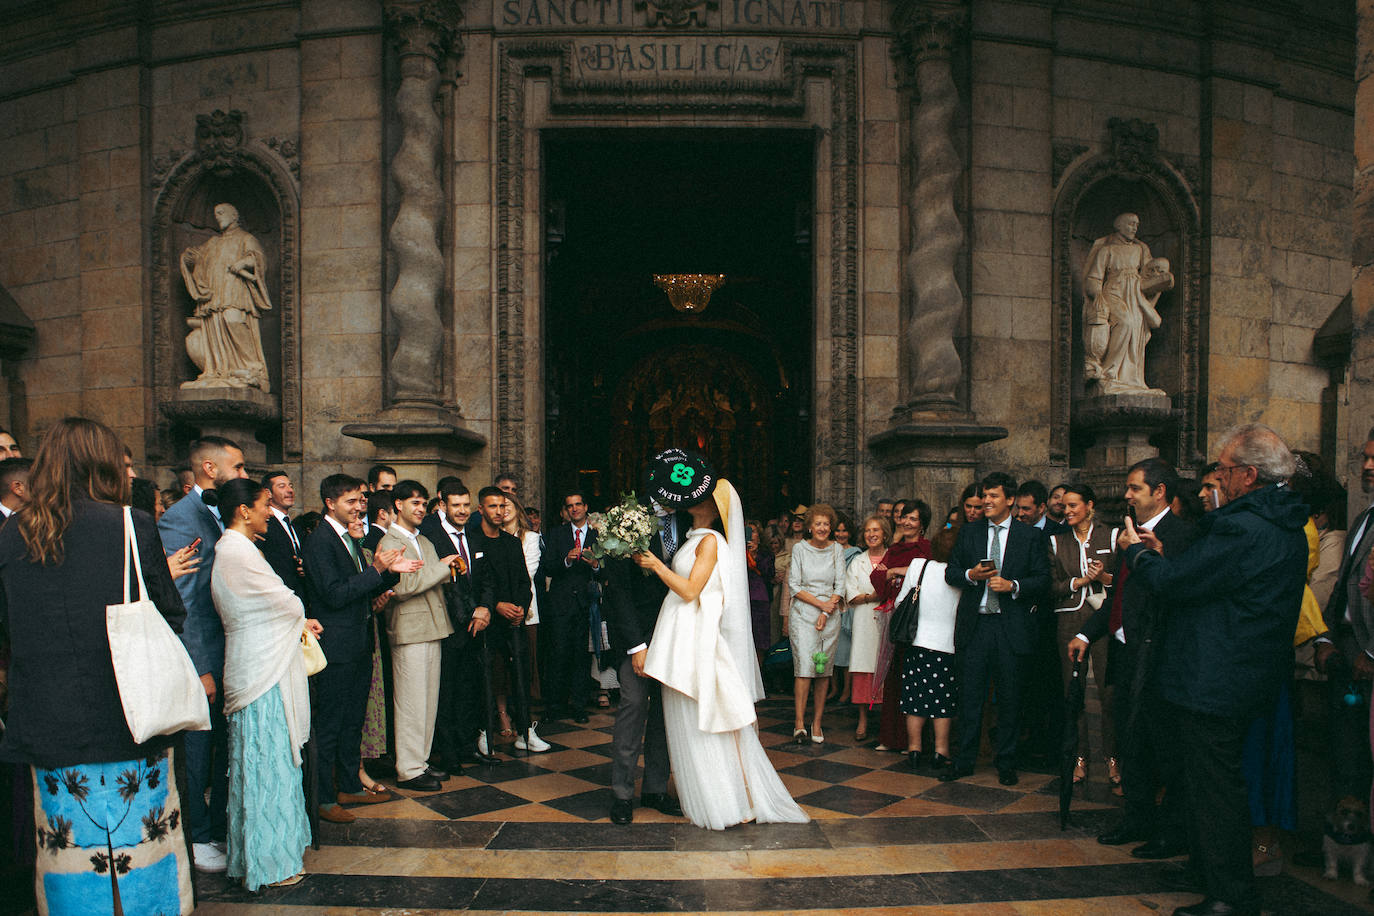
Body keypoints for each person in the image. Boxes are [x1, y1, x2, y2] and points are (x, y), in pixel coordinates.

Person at [0, 417, 193, 914]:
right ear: (102, 464)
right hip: (130, 715)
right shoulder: (130, 525)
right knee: (144, 852)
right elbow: (170, 613)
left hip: (47, 721)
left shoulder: (10, 533)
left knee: (66, 855)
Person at [1119, 424, 1307, 916]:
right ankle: (1208, 869)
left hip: (1216, 677)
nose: (1217, 479)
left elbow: (1179, 583)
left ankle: (1230, 894)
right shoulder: (1280, 523)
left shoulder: (1243, 527)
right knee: (1210, 782)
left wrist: (1138, 554)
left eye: (1224, 470)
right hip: (1244, 672)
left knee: (1216, 787)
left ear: (1248, 475)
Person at [639, 476, 808, 830]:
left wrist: (656, 566)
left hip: (697, 640)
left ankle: (733, 800)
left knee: (711, 722)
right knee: (689, 723)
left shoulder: (712, 542)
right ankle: (712, 795)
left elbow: (689, 590)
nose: (691, 499)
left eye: (701, 497)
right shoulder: (694, 539)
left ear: (714, 509)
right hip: (681, 636)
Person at [1071, 458, 1195, 855]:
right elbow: (1117, 597)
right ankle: (1136, 817)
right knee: (1129, 740)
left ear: (1159, 492)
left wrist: (1145, 554)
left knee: (1163, 744)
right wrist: (1086, 633)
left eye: (1135, 488)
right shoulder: (1129, 534)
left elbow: (1172, 590)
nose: (1127, 495)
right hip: (1124, 651)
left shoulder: (1180, 536)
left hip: (1157, 655)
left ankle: (1170, 830)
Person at [211, 478, 318, 890]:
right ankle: (269, 864)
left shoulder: (239, 549)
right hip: (261, 671)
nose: (269, 513)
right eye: (263, 505)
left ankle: (258, 857)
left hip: (260, 663)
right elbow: (285, 601)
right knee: (264, 767)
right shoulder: (235, 551)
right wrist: (295, 609)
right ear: (243, 511)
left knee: (262, 765)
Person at [302, 474, 419, 824]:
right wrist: (376, 570)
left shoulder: (351, 538)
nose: (359, 507)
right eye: (351, 501)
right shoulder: (320, 541)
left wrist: (388, 573)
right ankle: (323, 799)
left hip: (358, 642)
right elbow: (335, 594)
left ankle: (350, 784)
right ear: (330, 503)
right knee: (331, 724)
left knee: (354, 720)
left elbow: (363, 584)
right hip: (335, 647)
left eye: (361, 500)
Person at [158, 435, 248, 872]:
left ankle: (213, 829)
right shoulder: (181, 519)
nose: (245, 475)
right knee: (197, 751)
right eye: (240, 467)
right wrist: (200, 668)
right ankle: (194, 837)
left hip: (227, 651)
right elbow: (184, 601)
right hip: (203, 657)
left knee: (217, 751)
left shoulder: (217, 513)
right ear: (211, 469)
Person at [942, 472, 1051, 785]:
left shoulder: (1029, 536)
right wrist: (970, 575)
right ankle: (964, 761)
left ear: (1010, 500)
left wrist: (1013, 585)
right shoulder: (970, 532)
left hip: (1010, 627)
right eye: (984, 497)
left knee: (1010, 698)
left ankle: (1006, 762)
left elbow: (1042, 580)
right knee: (970, 697)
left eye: (992, 497)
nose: (986, 502)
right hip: (975, 627)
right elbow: (951, 573)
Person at [602, 492, 689, 824]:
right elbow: (619, 590)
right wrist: (636, 645)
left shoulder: (691, 521)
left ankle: (655, 788)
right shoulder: (627, 520)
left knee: (665, 713)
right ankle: (622, 793)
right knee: (633, 707)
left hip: (678, 633)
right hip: (638, 634)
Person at [376, 481, 465, 791]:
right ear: (397, 505)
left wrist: (442, 569)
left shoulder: (424, 541)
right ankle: (408, 767)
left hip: (433, 625)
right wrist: (442, 569)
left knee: (428, 700)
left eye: (424, 503)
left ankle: (421, 761)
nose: (420, 508)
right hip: (408, 629)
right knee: (411, 702)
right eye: (414, 502)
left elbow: (423, 580)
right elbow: (402, 587)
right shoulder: (389, 542)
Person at [1048, 483, 1117, 786]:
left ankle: (1113, 757)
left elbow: (1126, 582)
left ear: (1090, 505)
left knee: (1108, 690)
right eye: (1064, 506)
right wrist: (1077, 581)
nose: (1068, 511)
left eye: (1074, 505)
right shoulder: (1055, 541)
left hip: (1104, 618)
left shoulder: (1111, 536)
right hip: (1070, 618)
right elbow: (1050, 587)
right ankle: (1079, 756)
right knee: (1072, 689)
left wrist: (1103, 577)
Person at [469, 486, 544, 755]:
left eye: (502, 506)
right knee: (489, 678)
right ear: (481, 510)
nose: (499, 512)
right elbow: (473, 584)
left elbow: (525, 581)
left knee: (521, 677)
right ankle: (484, 732)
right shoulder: (472, 541)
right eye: (492, 507)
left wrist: (521, 608)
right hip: (488, 623)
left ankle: (526, 732)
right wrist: (496, 605)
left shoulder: (511, 542)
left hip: (514, 622)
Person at [179, 202, 272, 390]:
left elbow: (259, 258)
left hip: (235, 291)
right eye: (216, 214)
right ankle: (223, 370)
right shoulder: (213, 242)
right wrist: (188, 257)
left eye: (222, 213)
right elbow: (198, 255)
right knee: (216, 326)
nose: (218, 217)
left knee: (233, 320)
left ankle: (251, 367)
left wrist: (243, 262)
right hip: (215, 295)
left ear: (234, 215)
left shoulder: (245, 238)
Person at [871, 499, 933, 752]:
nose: (907, 522)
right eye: (905, 517)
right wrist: (893, 571)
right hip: (895, 618)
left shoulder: (927, 547)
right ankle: (890, 737)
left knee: (914, 679)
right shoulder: (894, 548)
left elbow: (928, 572)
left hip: (918, 620)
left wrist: (896, 570)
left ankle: (913, 741)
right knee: (894, 676)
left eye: (913, 519)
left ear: (922, 525)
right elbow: (877, 575)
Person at [895, 542, 963, 775]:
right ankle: (940, 750)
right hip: (946, 646)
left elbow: (899, 602)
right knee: (942, 700)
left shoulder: (918, 566)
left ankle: (914, 749)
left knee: (915, 698)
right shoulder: (961, 574)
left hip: (917, 642)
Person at [786, 503, 847, 744]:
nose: (822, 528)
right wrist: (820, 606)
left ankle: (817, 722)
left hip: (830, 614)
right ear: (810, 527)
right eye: (818, 524)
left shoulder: (837, 550)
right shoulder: (800, 548)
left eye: (826, 524)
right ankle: (799, 723)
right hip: (803, 613)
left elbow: (840, 585)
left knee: (823, 671)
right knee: (803, 669)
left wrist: (828, 608)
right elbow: (794, 585)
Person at [540, 490, 599, 722]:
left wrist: (595, 564)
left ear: (586, 507)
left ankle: (579, 706)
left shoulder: (598, 535)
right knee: (557, 654)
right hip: (560, 603)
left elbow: (607, 570)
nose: (574, 509)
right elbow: (546, 567)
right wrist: (566, 560)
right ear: (566, 510)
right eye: (569, 506)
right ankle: (554, 706)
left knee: (581, 656)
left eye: (578, 504)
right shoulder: (556, 534)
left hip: (586, 603)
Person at [844, 515, 890, 742]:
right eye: (867, 531)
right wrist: (871, 597)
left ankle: (885, 722)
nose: (871, 534)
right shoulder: (857, 561)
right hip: (863, 619)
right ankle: (862, 720)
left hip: (887, 619)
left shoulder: (892, 558)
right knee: (864, 669)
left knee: (885, 667)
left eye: (876, 530)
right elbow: (849, 591)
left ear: (884, 534)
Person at [502, 493, 544, 700]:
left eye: (507, 504)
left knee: (526, 661)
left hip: (524, 608)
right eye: (499, 505)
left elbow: (528, 572)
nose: (503, 509)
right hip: (498, 608)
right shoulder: (491, 537)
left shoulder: (531, 538)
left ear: (517, 508)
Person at [260, 471, 306, 599]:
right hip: (278, 599)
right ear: (268, 493)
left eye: (290, 485)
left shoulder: (297, 527)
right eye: (282, 486)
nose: (290, 490)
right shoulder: (264, 525)